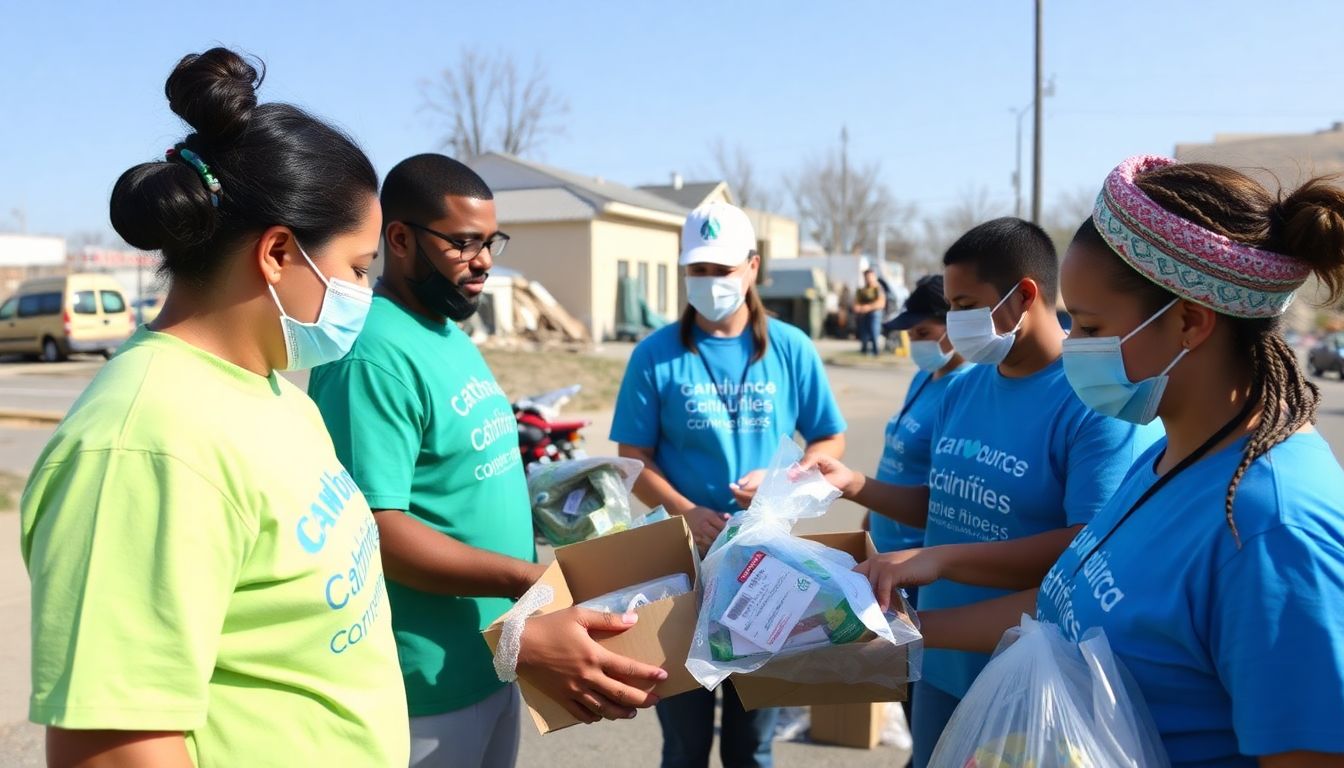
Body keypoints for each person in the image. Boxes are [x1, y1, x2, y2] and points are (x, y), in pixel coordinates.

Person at [21, 48, 407, 766]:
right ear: (279, 253)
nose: (366, 292)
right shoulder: (142, 446)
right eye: (358, 268)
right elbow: (113, 746)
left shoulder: (268, 392)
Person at [913, 156, 1344, 768]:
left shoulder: (1275, 531)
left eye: (1088, 326)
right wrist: (899, 635)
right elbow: (1067, 609)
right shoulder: (1172, 457)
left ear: (1190, 321)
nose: (1073, 348)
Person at [308, 153, 666, 768]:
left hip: (498, 657)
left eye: (491, 241)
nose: (484, 262)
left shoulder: (447, 335)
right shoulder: (371, 355)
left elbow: (461, 478)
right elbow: (377, 531)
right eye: (464, 243)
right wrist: (525, 579)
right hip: (425, 684)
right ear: (400, 238)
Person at [801, 217, 1162, 767]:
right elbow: (943, 506)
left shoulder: (1096, 404)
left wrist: (938, 561)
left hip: (1028, 677)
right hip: (939, 660)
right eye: (949, 306)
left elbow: (1085, 551)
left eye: (965, 303)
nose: (952, 323)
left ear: (1023, 296)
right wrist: (856, 485)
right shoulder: (962, 388)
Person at [612, 201, 847, 768]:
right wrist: (685, 510)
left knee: (753, 743)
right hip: (683, 568)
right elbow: (633, 457)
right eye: (698, 270)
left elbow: (829, 440)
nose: (711, 282)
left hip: (765, 571)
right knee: (686, 741)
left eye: (723, 269)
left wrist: (785, 477)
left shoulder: (790, 348)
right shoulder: (655, 355)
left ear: (752, 267)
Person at [868, 274, 971, 741]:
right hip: (886, 557)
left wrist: (857, 487)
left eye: (924, 334)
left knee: (925, 705)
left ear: (957, 324)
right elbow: (897, 459)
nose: (915, 344)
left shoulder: (964, 388)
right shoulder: (924, 376)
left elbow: (940, 493)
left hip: (918, 565)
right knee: (912, 699)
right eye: (910, 336)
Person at [855, 268, 887, 355]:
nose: (868, 279)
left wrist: (868, 307)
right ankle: (864, 351)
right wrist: (859, 308)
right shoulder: (862, 290)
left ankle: (876, 351)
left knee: (874, 332)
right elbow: (857, 303)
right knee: (864, 335)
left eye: (870, 276)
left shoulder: (878, 289)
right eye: (866, 277)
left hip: (874, 314)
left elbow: (881, 303)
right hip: (863, 315)